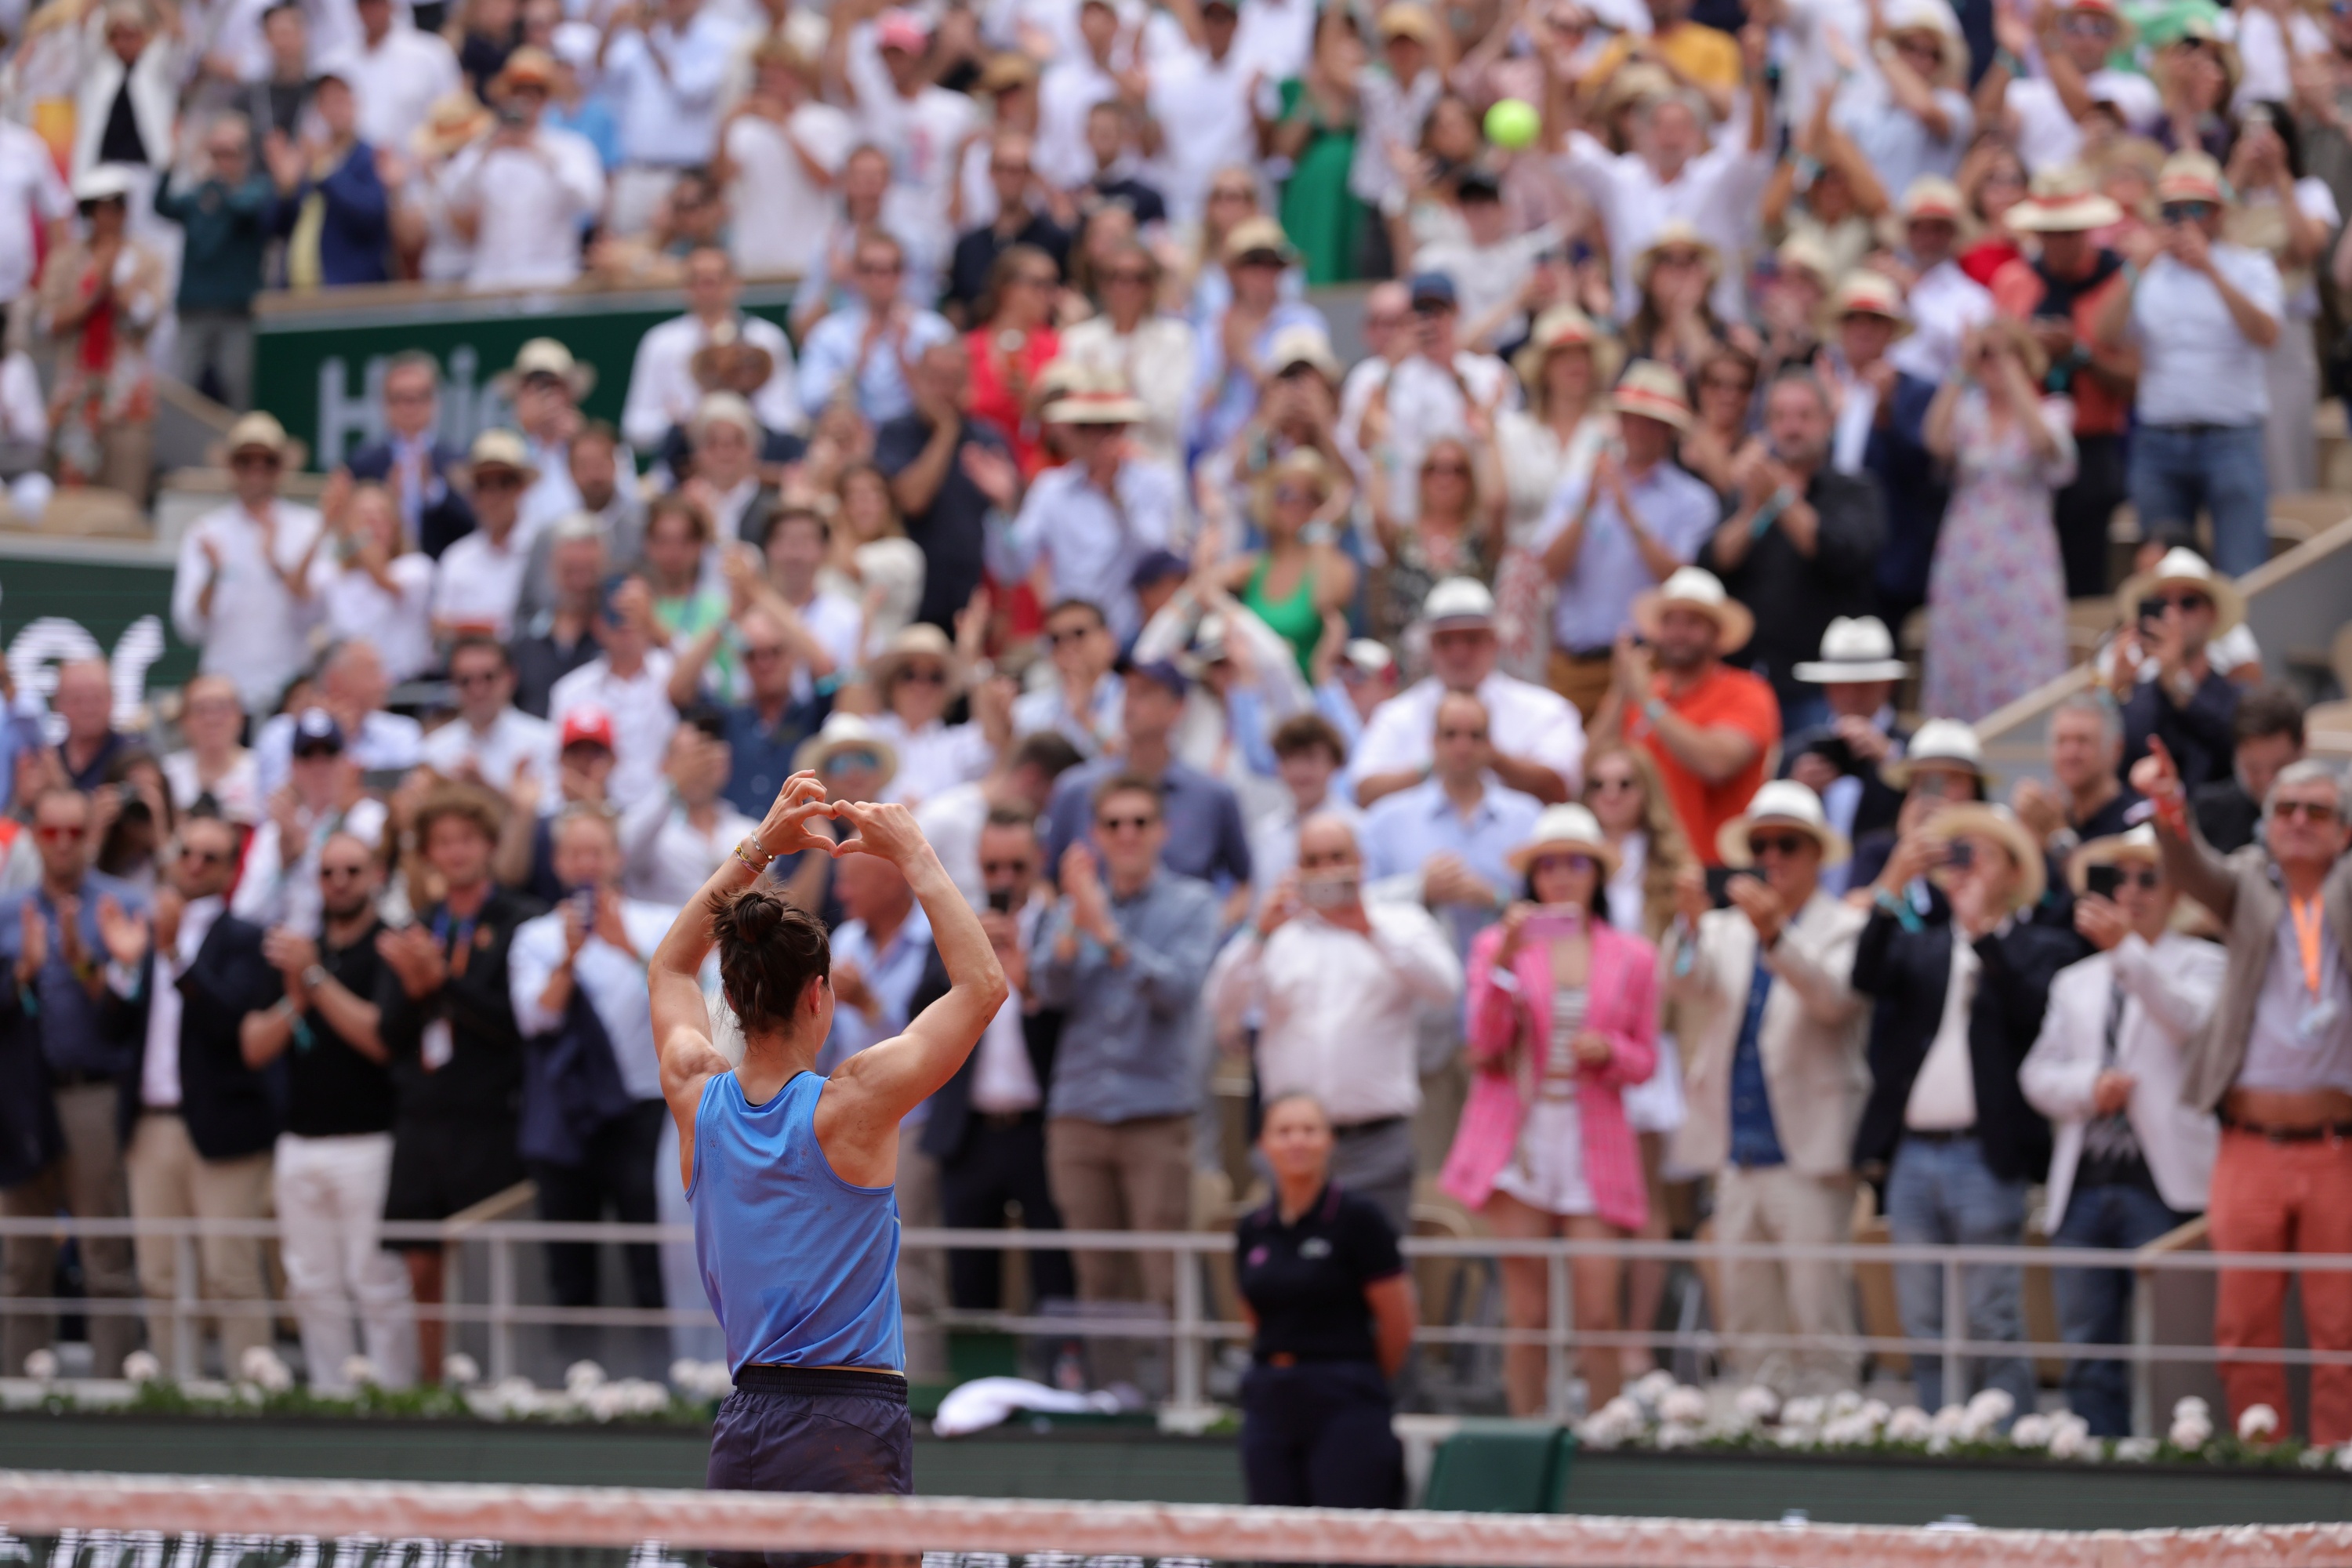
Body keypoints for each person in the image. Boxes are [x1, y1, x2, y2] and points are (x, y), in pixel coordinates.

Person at [648, 773, 1004, 1512]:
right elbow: (982, 987)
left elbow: (670, 965)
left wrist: (759, 848)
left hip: (742, 1427)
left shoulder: (693, 1091)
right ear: (818, 995)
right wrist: (914, 853)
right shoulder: (855, 1103)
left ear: (737, 996)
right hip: (848, 1425)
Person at [2137, 746, 2352, 1443]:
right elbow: (2191, 869)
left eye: (2317, 812)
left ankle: (2336, 1481)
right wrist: (2170, 808)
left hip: (2337, 1151)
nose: (2298, 822)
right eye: (2285, 810)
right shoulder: (2248, 887)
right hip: (2249, 1146)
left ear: (2345, 831)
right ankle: (2264, 1474)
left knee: (2342, 1327)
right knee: (2244, 1325)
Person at [1852, 800, 2089, 1414]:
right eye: (1957, 853)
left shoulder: (2043, 947)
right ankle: (1938, 1433)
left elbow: (2032, 1014)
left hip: (1986, 1155)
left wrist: (1985, 935)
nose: (1964, 866)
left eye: (1980, 853)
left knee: (1992, 1316)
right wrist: (1893, 882)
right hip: (1914, 1154)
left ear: (2014, 870)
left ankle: (2004, 1441)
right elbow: (1866, 975)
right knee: (1923, 1320)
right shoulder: (1923, 946)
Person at [1439, 803, 1657, 1414]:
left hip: (1595, 1137)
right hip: (1523, 1136)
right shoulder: (1496, 944)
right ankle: (1526, 1433)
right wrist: (1506, 962)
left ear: (1597, 874)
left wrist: (1606, 1049)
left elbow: (1646, 1060)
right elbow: (1483, 1044)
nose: (1562, 876)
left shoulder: (1632, 955)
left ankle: (1606, 1435)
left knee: (1597, 1308)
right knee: (1527, 1311)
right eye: (1549, 864)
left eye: (1576, 864)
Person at [1667, 781, 1871, 1397]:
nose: (1773, 858)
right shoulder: (1726, 929)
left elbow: (1834, 1001)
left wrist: (1777, 937)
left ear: (1816, 855)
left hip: (1807, 1153)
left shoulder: (1846, 926)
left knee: (1819, 1313)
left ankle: (1834, 1435)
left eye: (1787, 845)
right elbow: (1682, 983)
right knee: (1750, 1317)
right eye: (1762, 846)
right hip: (1739, 1152)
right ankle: (1761, 1431)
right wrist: (1686, 924)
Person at [2020, 825, 2220, 1436]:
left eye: (2148, 876)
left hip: (2166, 1186)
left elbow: (2186, 1020)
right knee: (2086, 1343)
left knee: (2171, 1344)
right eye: (2119, 877)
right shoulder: (2075, 981)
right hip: (2084, 1183)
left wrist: (2128, 952)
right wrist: (2088, 1087)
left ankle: (2171, 1461)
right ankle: (2096, 1466)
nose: (2132, 891)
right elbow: (2036, 1075)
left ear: (2174, 887)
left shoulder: (2209, 961)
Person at [1030, 773, 1223, 1375]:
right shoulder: (1074, 904)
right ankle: (1112, 1397)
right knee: (1096, 1273)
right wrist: (1073, 923)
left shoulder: (1192, 903)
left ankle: (1178, 1396)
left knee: (1162, 1268)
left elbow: (1180, 990)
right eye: (1114, 824)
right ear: (1097, 834)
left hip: (1154, 1113)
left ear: (1162, 831)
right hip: (1079, 1110)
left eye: (1140, 822)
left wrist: (1108, 934)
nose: (1128, 834)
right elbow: (1045, 988)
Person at [1210, 814, 1461, 1233]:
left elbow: (1445, 988)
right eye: (1313, 861)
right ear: (1297, 869)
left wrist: (1369, 929)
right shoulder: (1276, 932)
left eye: (1337, 857)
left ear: (1361, 862)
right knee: (1291, 1286)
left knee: (1381, 1281)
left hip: (1375, 1143)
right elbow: (1219, 1002)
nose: (1327, 870)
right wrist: (1258, 935)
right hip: (1291, 1144)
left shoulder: (1399, 921)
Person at [101, 811, 281, 1381]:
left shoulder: (247, 939)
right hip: (151, 1123)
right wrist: (124, 969)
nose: (196, 865)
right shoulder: (148, 929)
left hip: (223, 1127)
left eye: (211, 857)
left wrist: (174, 955)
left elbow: (231, 1025)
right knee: (157, 1274)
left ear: (231, 870)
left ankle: (251, 1402)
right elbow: (113, 1030)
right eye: (188, 853)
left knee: (230, 1272)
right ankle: (173, 1398)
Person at [241, 829, 416, 1392]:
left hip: (370, 1140)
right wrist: (296, 993)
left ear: (374, 877)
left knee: (376, 1281)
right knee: (310, 1283)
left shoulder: (389, 946)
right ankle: (330, 1396)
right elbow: (253, 1046)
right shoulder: (297, 950)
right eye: (328, 872)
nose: (339, 883)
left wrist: (314, 979)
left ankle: (393, 1399)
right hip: (299, 1140)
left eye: (351, 871)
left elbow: (381, 1039)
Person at [376, 784, 539, 1381]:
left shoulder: (522, 920)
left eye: (466, 839)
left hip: (489, 1116)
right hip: (422, 1116)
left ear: (490, 846)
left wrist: (441, 981)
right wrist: (420, 989)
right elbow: (389, 1033)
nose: (455, 852)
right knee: (419, 1264)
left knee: (485, 1263)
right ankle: (429, 1384)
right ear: (428, 856)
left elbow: (514, 1022)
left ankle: (494, 1384)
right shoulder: (417, 926)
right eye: (442, 843)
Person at [510, 806, 677, 1361]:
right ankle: (575, 1383)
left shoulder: (657, 926)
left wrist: (627, 946)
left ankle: (666, 1383)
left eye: (596, 852)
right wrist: (570, 955)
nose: (586, 864)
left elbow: (691, 1001)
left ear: (617, 858)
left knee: (650, 1256)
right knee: (570, 1262)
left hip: (645, 1110)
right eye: (575, 853)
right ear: (558, 863)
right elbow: (537, 1019)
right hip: (568, 1114)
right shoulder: (534, 937)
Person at [0, 788, 143, 1377]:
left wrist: (89, 962)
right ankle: (13, 1397)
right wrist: (25, 974)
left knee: (105, 1254)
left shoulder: (122, 904)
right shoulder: (7, 914)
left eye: (73, 833)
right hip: (20, 1098)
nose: (62, 844)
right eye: (50, 832)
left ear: (90, 837)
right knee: (20, 1259)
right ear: (35, 837)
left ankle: (114, 1398)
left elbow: (126, 1017)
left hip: (92, 1092)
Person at [913, 804, 1073, 1312]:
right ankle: (973, 1386)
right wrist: (966, 961)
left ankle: (1057, 1381)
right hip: (970, 1130)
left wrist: (1030, 981)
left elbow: (1076, 1017)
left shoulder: (1061, 926)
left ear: (1039, 861)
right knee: (969, 1276)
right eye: (992, 868)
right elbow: (917, 1009)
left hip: (1042, 1127)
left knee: (1055, 1272)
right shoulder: (957, 927)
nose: (1004, 879)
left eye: (1017, 867)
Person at [2093, 151, 2282, 579]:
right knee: (2162, 576)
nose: (2183, 220)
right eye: (2171, 211)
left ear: (2218, 213)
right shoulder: (2147, 273)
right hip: (2159, 442)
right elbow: (2103, 333)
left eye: (2194, 208)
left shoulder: (2251, 267)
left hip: (2231, 437)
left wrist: (2211, 270)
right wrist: (2137, 267)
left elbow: (2266, 334)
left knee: (2243, 571)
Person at [1235, 1092, 1416, 1508]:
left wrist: (1353, 1375)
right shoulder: (1252, 1228)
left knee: (1345, 1541)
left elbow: (1398, 1321)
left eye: (1309, 1130)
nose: (1296, 1141)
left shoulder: (1359, 1218)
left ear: (1329, 1141)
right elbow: (1253, 1313)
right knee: (1272, 1542)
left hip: (1346, 1398)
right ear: (1264, 1145)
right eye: (1284, 1131)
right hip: (1269, 1398)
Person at [1535, 361, 1722, 721]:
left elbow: (1681, 581)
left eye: (1651, 420)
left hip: (1651, 662)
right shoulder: (1579, 487)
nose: (1638, 429)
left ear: (1669, 431)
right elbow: (1548, 568)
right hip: (1575, 663)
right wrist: (1587, 506)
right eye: (1631, 418)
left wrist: (1627, 514)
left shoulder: (1692, 500)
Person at [1697, 368, 1885, 724]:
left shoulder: (1855, 490)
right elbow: (1710, 565)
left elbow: (1842, 554)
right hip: (1748, 682)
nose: (1792, 427)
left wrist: (1782, 500)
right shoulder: (1748, 492)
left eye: (1804, 416)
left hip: (1821, 688)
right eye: (1780, 417)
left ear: (1829, 421)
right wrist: (1752, 513)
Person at [1918, 318, 2078, 723]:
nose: (1993, 363)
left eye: (2004, 353)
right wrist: (1962, 367)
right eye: (1986, 354)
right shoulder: (1967, 413)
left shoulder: (2052, 410)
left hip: (2025, 561)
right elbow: (1933, 440)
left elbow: (2044, 445)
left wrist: (2011, 369)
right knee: (1961, 662)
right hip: (1966, 562)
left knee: (2026, 660)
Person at [2002, 172, 2137, 601]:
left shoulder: (2118, 283)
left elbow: (2135, 380)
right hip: (2026, 447)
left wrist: (2078, 353)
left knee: (2086, 575)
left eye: (2068, 233)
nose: (2059, 244)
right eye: (2050, 234)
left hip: (2093, 444)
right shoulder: (2014, 282)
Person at [1599, 567, 1779, 868]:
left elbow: (1717, 763)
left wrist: (1647, 701)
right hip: (1649, 871)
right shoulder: (1646, 689)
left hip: (1719, 867)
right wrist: (1620, 690)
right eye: (1670, 621)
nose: (1678, 633)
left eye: (1693, 622)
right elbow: (1591, 765)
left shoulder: (1747, 691)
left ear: (1717, 633)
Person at [1350, 579, 1582, 808]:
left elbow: (1563, 788)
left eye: (1472, 639)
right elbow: (1364, 792)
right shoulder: (1396, 714)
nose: (1459, 652)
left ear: (1494, 642)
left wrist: (1491, 757)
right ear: (1430, 646)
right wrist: (1433, 766)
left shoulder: (1545, 709)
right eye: (1446, 641)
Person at [1040, 659, 1254, 897]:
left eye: (1144, 693)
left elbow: (1244, 882)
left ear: (1178, 707)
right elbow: (1046, 881)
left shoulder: (1214, 796)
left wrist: (1210, 927)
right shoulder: (1074, 789)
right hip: (1088, 931)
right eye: (1127, 691)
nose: (1130, 703)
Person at [1001, 383, 1178, 644]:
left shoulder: (1157, 481)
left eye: (1107, 427)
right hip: (1071, 639)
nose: (1096, 437)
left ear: (1123, 429)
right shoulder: (1050, 488)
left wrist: (1114, 497)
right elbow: (1013, 566)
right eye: (1084, 426)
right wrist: (1003, 506)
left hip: (1134, 637)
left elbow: (1155, 558)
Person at [171, 413, 323, 713]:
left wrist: (275, 563)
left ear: (280, 468)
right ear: (232, 467)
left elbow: (317, 614)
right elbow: (190, 626)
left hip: (290, 692)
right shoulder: (205, 531)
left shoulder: (308, 528)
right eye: (246, 461)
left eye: (267, 462)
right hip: (225, 692)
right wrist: (214, 575)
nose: (256, 471)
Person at [877, 338, 1017, 633]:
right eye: (937, 379)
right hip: (912, 605)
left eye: (954, 380)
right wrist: (946, 432)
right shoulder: (895, 434)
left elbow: (1012, 531)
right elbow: (912, 501)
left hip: (974, 604)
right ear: (918, 379)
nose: (945, 390)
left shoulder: (989, 438)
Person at [444, 48, 607, 291]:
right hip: (491, 283)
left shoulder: (571, 148)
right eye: (518, 92)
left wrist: (539, 153)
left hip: (552, 281)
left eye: (535, 93)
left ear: (546, 99)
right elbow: (453, 198)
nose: (526, 101)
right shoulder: (483, 149)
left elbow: (590, 202)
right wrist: (487, 152)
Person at [622, 249, 803, 452]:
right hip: (683, 467)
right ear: (686, 287)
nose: (708, 289)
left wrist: (741, 413)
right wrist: (686, 419)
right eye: (698, 281)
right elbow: (635, 428)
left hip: (756, 464)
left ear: (736, 283)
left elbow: (789, 419)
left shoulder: (767, 339)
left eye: (717, 280)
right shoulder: (660, 343)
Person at [231, 710, 393, 939]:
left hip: (351, 948)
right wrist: (284, 863)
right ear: (293, 766)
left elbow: (373, 896)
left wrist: (309, 852)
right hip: (283, 950)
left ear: (346, 761)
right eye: (308, 755)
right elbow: (246, 913)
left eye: (329, 753)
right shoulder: (278, 827)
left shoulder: (371, 817)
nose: (319, 766)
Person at [154, 114, 274, 411]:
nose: (222, 162)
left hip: (235, 311)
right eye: (216, 154)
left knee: (238, 389)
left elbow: (244, 209)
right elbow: (162, 205)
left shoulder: (255, 189)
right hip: (195, 307)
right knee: (181, 389)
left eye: (229, 154)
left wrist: (220, 186)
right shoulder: (199, 195)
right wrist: (172, 163)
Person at [2111, 547, 2247, 799]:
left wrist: (2177, 682)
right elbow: (2111, 770)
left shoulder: (2237, 699)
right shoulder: (2136, 696)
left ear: (2212, 614)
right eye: (2162, 604)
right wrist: (2113, 693)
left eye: (2188, 603)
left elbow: (2235, 749)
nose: (2174, 616)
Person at [797, 230, 959, 425]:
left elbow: (958, 399)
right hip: (854, 440)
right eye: (869, 269)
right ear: (855, 274)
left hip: (920, 436)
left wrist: (908, 365)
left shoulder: (934, 331)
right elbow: (808, 402)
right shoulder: (829, 334)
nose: (881, 279)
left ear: (904, 274)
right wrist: (857, 365)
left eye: (891, 269)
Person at [549, 578, 681, 810]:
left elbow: (712, 684)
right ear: (598, 624)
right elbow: (558, 770)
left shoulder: (675, 672)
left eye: (635, 611)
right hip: (596, 813)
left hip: (670, 817)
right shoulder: (569, 690)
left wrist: (656, 626)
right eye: (616, 613)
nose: (625, 623)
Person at [343, 353, 475, 560]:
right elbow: (345, 546)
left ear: (435, 402)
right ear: (386, 404)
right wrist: (384, 507)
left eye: (418, 398)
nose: (409, 408)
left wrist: (433, 492)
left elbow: (473, 529)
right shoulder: (364, 463)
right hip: (382, 580)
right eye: (400, 398)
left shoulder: (456, 460)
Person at [311, 479, 436, 685]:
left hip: (404, 690)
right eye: (364, 517)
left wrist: (355, 531)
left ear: (395, 526)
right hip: (346, 692)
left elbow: (384, 581)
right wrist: (325, 525)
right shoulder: (333, 575)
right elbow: (295, 590)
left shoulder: (416, 568)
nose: (371, 525)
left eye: (380, 517)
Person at [433, 430, 541, 643]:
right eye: (482, 484)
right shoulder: (457, 559)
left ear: (521, 488)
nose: (494, 496)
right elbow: (440, 629)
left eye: (505, 482)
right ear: (472, 495)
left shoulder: (543, 550)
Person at [423, 637, 557, 797]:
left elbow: (550, 811)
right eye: (466, 680)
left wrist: (486, 787)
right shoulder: (434, 750)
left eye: (489, 677)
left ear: (511, 677)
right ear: (453, 684)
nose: (478, 690)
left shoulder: (544, 741)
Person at [2194, 687, 2305, 854]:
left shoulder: (2329, 815)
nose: (2268, 781)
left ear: (2303, 747)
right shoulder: (2207, 813)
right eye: (2254, 769)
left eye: (2280, 767)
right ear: (2236, 755)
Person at [162, 675, 261, 826]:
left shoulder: (262, 772)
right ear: (183, 719)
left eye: (222, 708)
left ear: (241, 717)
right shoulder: (167, 775)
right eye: (201, 709)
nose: (212, 719)